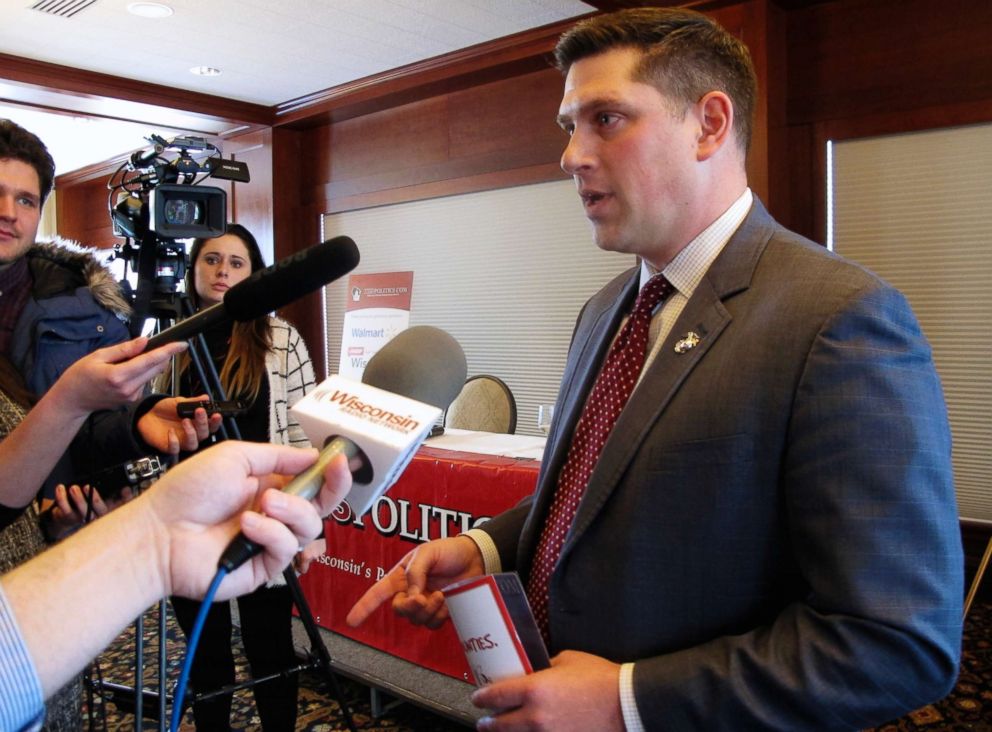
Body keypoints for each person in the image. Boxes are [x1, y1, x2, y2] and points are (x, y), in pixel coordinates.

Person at [347, 8, 964, 731]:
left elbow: (898, 644)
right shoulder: (605, 309)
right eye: (568, 126)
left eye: (606, 119)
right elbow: (595, 494)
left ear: (709, 124)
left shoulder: (839, 318)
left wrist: (628, 701)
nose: (571, 155)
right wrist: (482, 548)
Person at [0, 438, 352, 732]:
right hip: (201, 535)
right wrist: (157, 541)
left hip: (265, 533)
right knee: (208, 661)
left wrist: (156, 544)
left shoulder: (286, 353)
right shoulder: (173, 365)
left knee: (270, 651)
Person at [164, 223, 319, 731]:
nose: (222, 271)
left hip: (260, 517)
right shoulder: (170, 344)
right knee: (206, 658)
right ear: (194, 270)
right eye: (211, 260)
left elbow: (304, 438)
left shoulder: (281, 339)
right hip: (190, 523)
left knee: (270, 649)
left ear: (255, 274)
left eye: (236, 262)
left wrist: (306, 522)